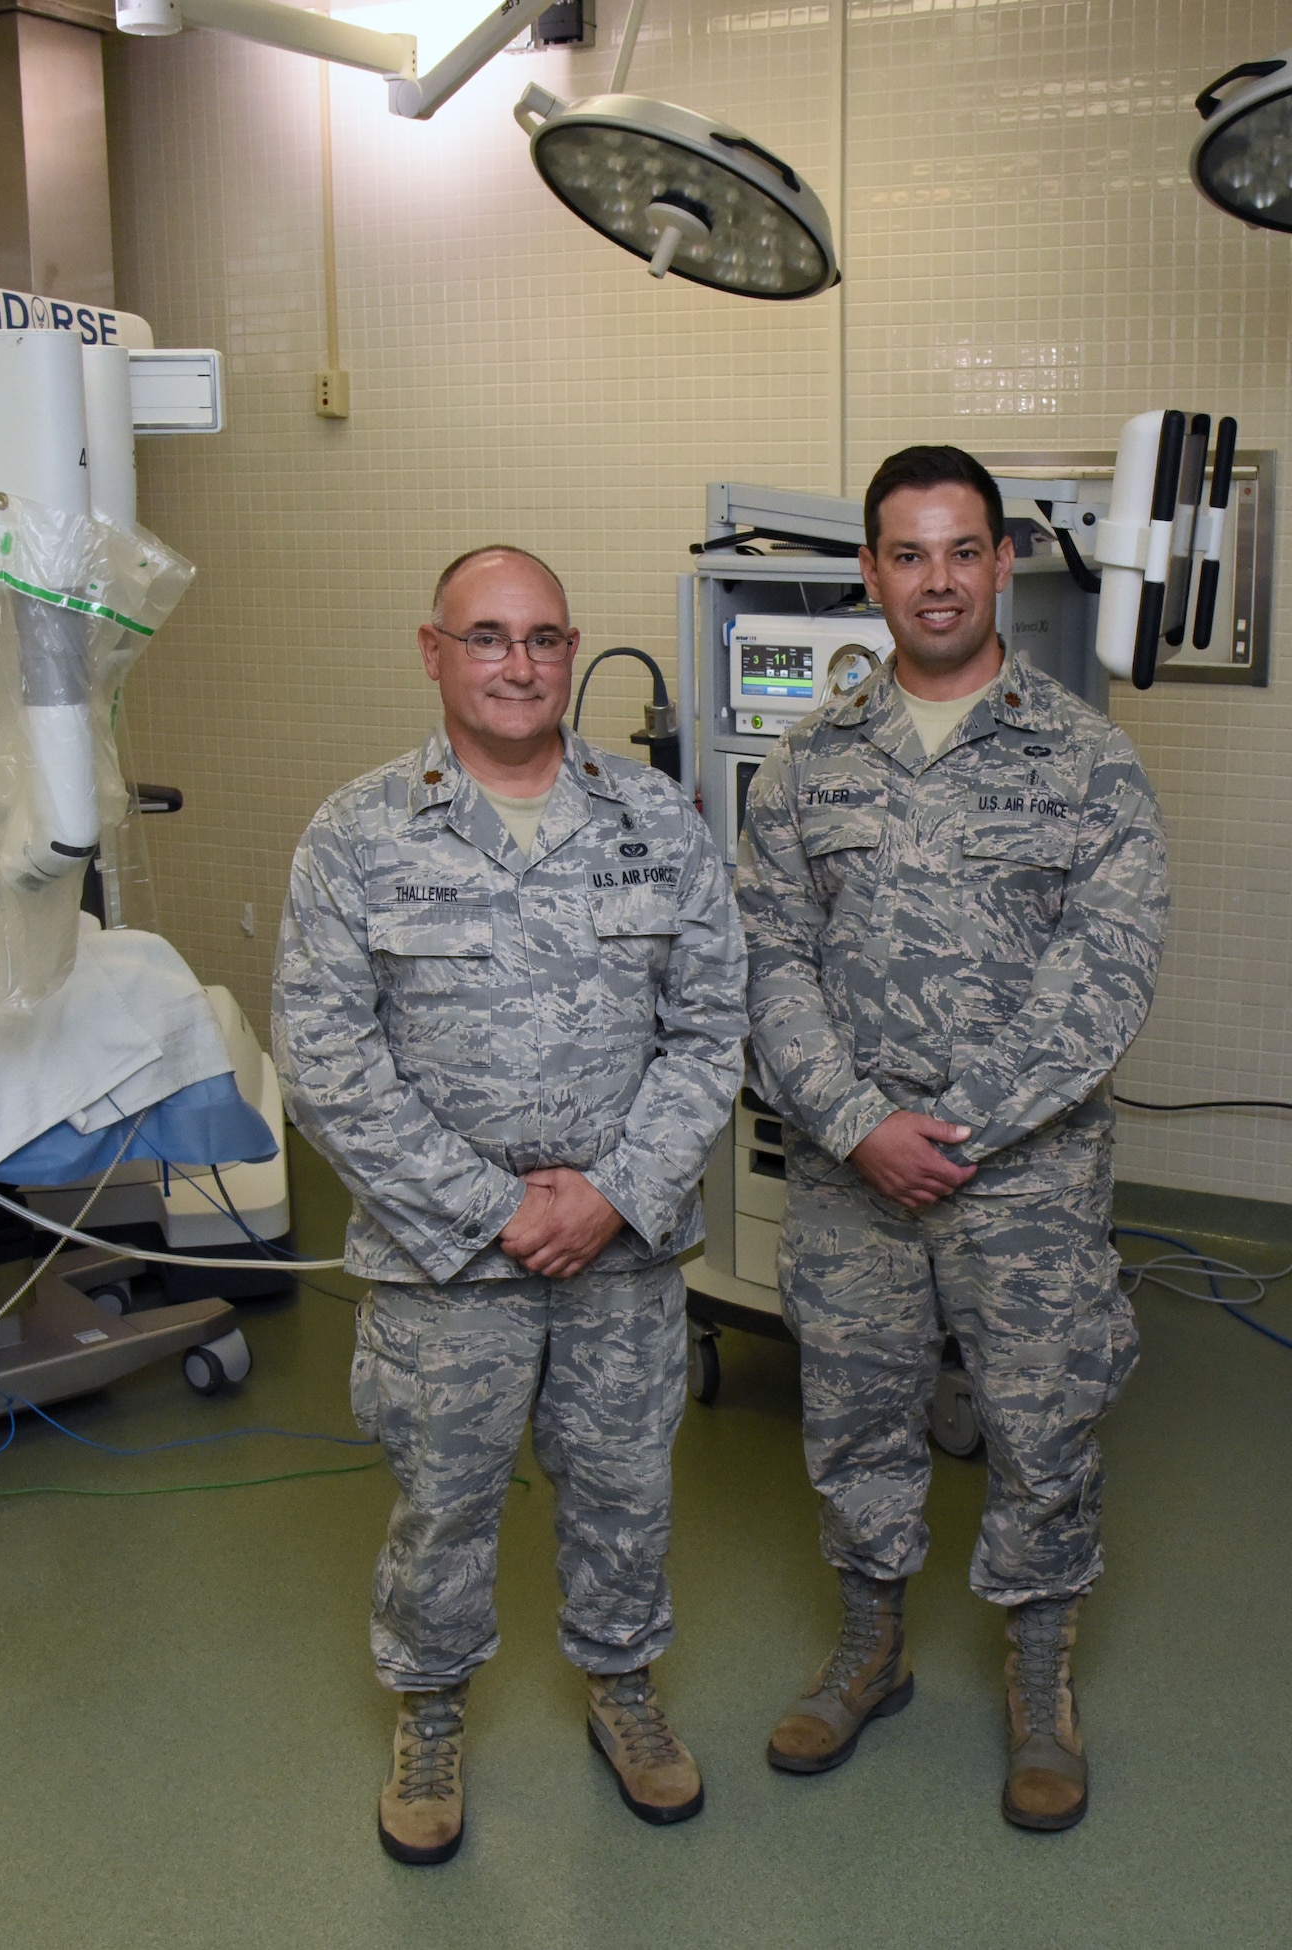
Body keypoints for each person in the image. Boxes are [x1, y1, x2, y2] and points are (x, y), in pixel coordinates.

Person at [272, 545, 745, 1864]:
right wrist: (493, 1207)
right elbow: (324, 1056)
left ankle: (624, 1689)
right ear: (434, 651)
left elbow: (713, 1028)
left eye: (540, 638)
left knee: (625, 1487)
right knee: (442, 1501)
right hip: (445, 1270)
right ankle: (429, 1717)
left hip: (620, 1255)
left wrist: (614, 1194)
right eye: (486, 637)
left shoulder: (657, 821)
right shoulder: (358, 835)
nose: (517, 663)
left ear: (573, 650)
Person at [736, 446, 1167, 1831]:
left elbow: (1108, 970)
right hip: (851, 1179)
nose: (936, 579)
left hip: (1024, 1180)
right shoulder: (806, 765)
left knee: (1045, 1426)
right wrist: (863, 1126)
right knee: (855, 1419)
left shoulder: (1090, 764)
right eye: (908, 553)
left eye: (962, 549)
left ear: (1003, 563)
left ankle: (1042, 1682)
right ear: (870, 571)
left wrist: (958, 1129)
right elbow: (765, 963)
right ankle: (872, 1648)